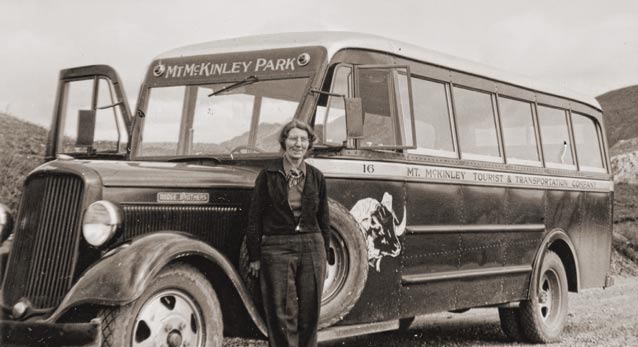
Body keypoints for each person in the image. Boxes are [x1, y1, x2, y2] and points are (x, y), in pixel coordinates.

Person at [246, 119, 330, 347]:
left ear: (309, 144)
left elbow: (324, 218)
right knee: (282, 313)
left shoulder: (316, 176)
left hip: (312, 246)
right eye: (293, 138)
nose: (298, 144)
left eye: (303, 139)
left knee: (310, 312)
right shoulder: (268, 175)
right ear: (284, 142)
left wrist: (325, 255)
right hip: (277, 248)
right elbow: (254, 218)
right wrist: (254, 256)